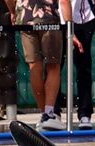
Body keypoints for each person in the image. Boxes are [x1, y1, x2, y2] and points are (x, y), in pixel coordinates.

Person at [18, 0, 75, 130]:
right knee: (53, 67)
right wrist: (70, 26)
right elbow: (64, 1)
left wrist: (13, 12)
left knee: (34, 67)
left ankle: (44, 113)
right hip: (49, 19)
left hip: (26, 17)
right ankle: (48, 113)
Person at [56, 0, 95, 128]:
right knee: (54, 67)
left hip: (83, 19)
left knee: (84, 67)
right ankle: (53, 112)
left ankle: (85, 113)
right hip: (57, 18)